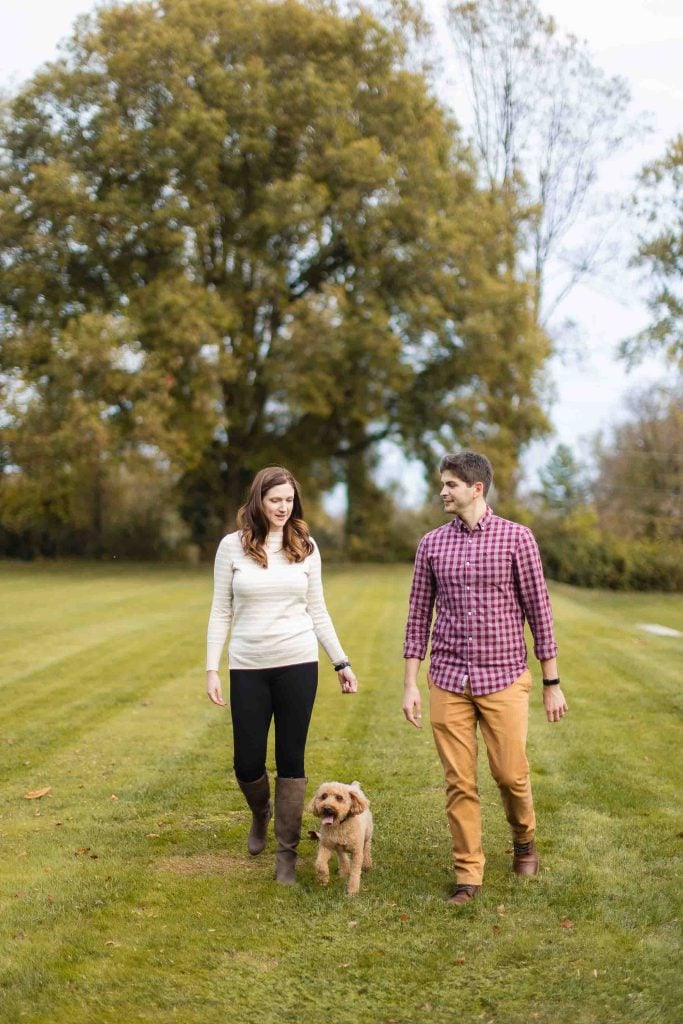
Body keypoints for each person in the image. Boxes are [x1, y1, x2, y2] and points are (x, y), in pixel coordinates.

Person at [402, 451, 568, 906]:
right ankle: (468, 873)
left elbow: (540, 613)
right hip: (449, 678)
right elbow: (418, 617)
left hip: (505, 677)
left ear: (477, 488)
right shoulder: (431, 545)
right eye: (442, 483)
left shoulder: (518, 539)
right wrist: (411, 682)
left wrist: (551, 683)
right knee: (459, 781)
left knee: (511, 775)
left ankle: (524, 838)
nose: (443, 492)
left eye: (451, 484)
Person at [206, 466, 358, 884]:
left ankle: (286, 857)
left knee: (292, 760)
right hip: (248, 666)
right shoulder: (231, 548)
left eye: (289, 500)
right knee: (247, 761)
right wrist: (211, 667)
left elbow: (318, 610)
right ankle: (260, 811)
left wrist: (340, 662)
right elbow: (221, 611)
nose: (282, 507)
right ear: (258, 500)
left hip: (297, 662)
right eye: (275, 500)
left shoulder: (305, 547)